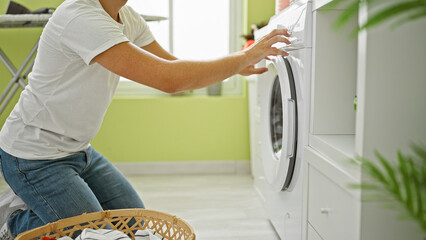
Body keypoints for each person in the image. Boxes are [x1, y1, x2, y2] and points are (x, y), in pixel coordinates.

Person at [0, 0, 290, 238]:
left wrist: (234, 65)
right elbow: (169, 80)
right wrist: (240, 60)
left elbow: (172, 66)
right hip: (33, 156)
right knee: (99, 237)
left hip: (79, 150)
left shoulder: (125, 16)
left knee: (135, 228)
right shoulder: (79, 17)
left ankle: (46, 206)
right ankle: (12, 223)